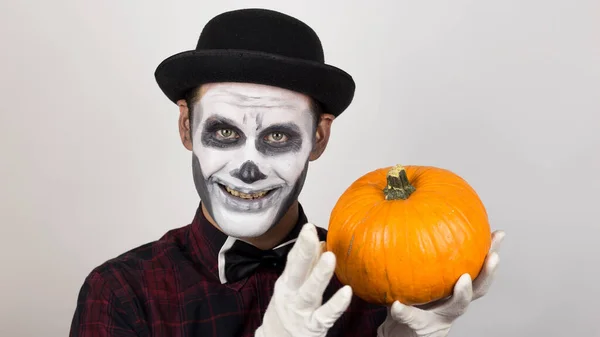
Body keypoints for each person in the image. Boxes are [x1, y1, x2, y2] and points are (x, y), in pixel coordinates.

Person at [69, 8, 505, 337]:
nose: (248, 168)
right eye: (223, 131)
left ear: (318, 138)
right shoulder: (123, 293)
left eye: (278, 137)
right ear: (187, 127)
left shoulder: (379, 278)